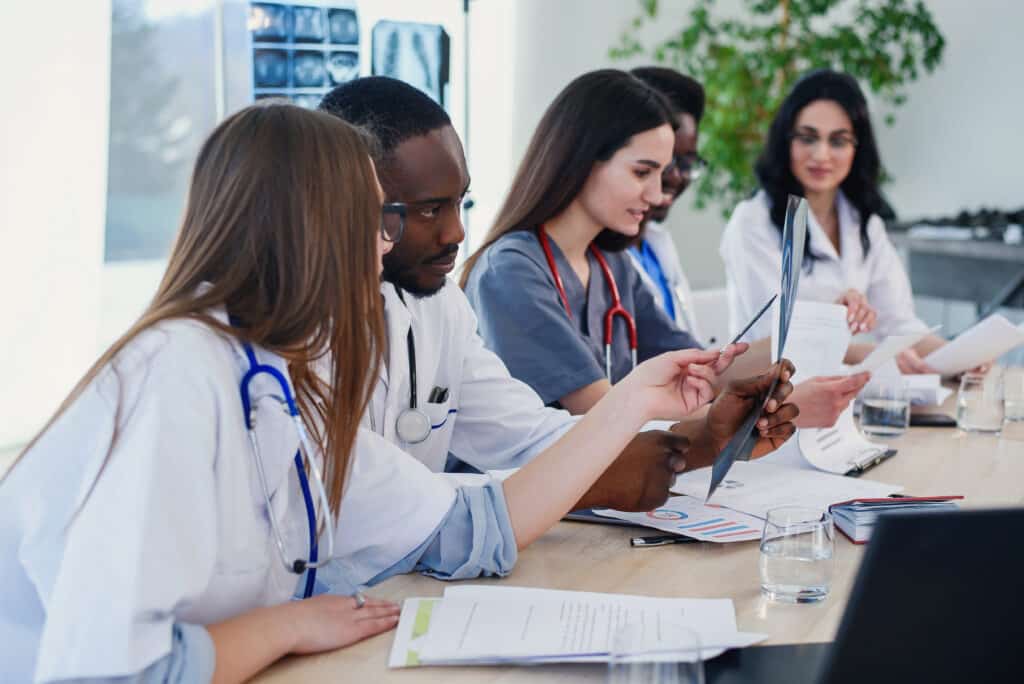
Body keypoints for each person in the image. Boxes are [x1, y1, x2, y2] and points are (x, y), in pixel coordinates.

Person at [0, 102, 797, 682]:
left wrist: (635, 403)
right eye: (374, 221)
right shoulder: (175, 374)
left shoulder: (282, 377)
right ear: (308, 228)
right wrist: (283, 625)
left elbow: (479, 527)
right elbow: (112, 673)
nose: (384, 248)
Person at [318, 76, 772, 510]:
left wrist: (707, 439)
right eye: (430, 209)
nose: (456, 231)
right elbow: (373, 504)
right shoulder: (507, 271)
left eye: (460, 203)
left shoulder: (442, 308)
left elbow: (530, 436)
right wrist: (683, 432)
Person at [627, 66, 871, 428]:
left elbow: (703, 373)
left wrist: (825, 323)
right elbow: (612, 407)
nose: (672, 178)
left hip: (695, 430)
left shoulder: (656, 245)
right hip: (676, 437)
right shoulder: (752, 222)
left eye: (684, 163)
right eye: (650, 167)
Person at [719, 69, 948, 374]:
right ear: (786, 141)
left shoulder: (864, 222)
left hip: (850, 393)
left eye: (838, 141)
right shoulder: (753, 221)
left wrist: (960, 358)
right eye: (807, 138)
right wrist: (877, 354)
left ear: (857, 148)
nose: (821, 154)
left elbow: (900, 324)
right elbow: (774, 343)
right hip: (776, 399)